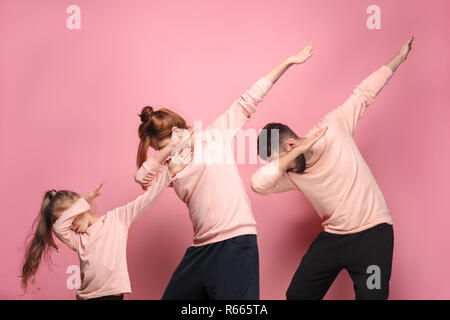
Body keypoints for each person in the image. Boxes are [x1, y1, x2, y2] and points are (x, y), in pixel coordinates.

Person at [134, 43, 315, 299]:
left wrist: (287, 62)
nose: (161, 156)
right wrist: (167, 152)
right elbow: (142, 178)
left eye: (160, 147)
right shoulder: (173, 167)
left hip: (236, 244)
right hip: (201, 250)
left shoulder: (215, 136)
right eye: (157, 152)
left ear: (175, 134)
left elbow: (249, 99)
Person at [251, 37, 414, 300]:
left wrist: (400, 56)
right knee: (297, 296)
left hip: (372, 234)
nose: (280, 169)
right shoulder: (291, 174)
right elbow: (258, 184)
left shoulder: (333, 128)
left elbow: (364, 93)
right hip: (334, 237)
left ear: (291, 143)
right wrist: (289, 158)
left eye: (279, 160)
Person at [20, 150, 189, 300]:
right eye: (66, 220)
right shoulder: (77, 240)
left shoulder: (117, 219)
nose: (70, 226)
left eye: (70, 219)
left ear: (78, 207)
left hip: (112, 296)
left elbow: (148, 198)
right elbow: (58, 228)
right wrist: (83, 202)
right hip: (85, 297)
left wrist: (169, 173)